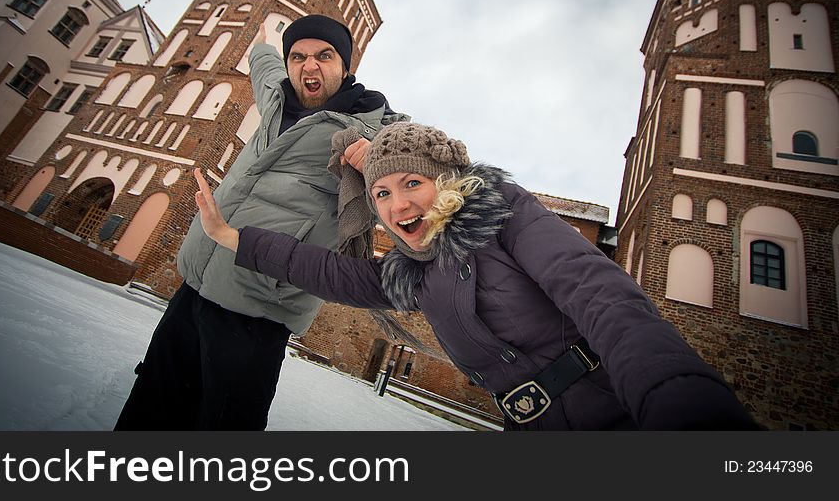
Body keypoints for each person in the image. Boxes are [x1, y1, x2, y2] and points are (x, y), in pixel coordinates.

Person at [192, 122, 760, 430]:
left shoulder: (505, 214)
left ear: (449, 182)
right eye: (382, 194)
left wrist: (678, 403)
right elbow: (331, 274)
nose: (395, 204)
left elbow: (600, 294)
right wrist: (233, 238)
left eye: (412, 183)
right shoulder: (411, 271)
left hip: (619, 410)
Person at [114, 14, 408, 430]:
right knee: (151, 406)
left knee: (223, 425)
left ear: (345, 66)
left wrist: (381, 162)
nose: (309, 66)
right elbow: (264, 64)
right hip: (195, 284)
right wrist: (262, 42)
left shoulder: (375, 127)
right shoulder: (275, 94)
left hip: (259, 305)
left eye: (325, 56)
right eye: (298, 56)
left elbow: (428, 166)